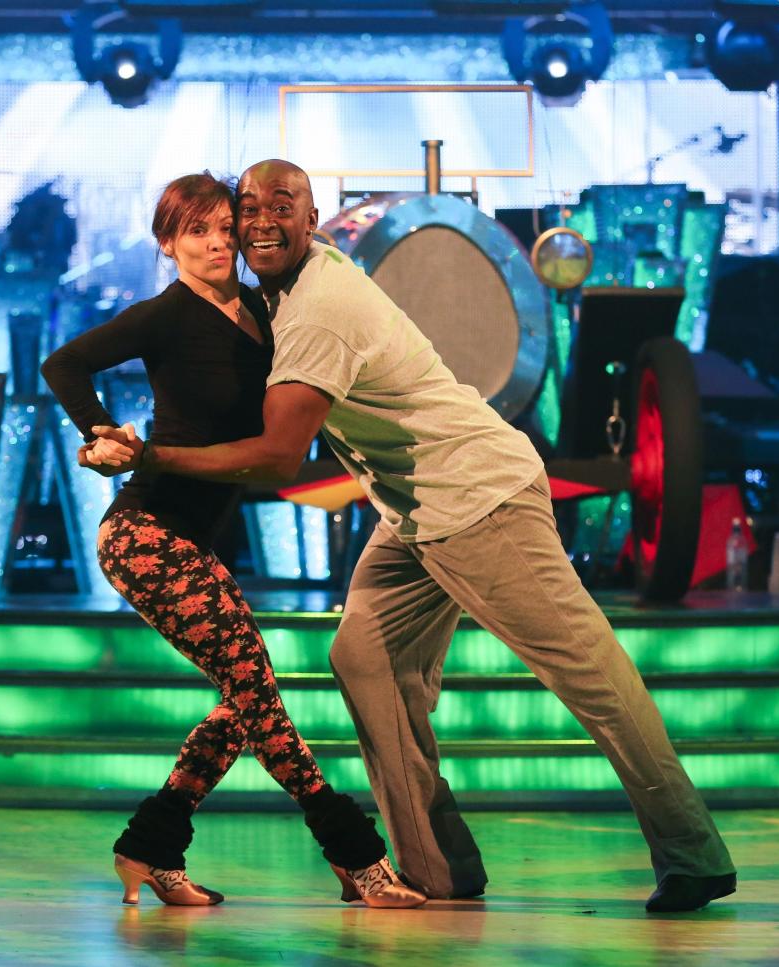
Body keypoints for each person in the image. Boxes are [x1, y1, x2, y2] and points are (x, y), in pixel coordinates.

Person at [83, 160, 738, 914]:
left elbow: (278, 453)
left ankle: (693, 853)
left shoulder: (316, 310)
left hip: (481, 498)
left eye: (282, 204)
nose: (261, 218)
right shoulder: (283, 290)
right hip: (416, 510)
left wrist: (148, 455)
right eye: (248, 206)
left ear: (314, 215)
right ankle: (436, 867)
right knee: (363, 655)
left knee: (588, 674)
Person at [41, 171, 425, 910]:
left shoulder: (258, 306)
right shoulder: (165, 315)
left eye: (225, 227)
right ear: (168, 245)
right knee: (257, 692)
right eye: (198, 232)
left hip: (197, 538)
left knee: (241, 699)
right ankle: (358, 857)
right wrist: (104, 437)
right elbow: (64, 363)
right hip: (146, 535)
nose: (219, 242)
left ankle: (149, 847)